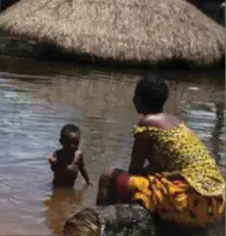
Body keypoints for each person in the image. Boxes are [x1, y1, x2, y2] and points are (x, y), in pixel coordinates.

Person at [96, 74, 225, 227]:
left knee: (107, 177)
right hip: (214, 203)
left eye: (135, 95)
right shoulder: (176, 122)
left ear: (138, 99)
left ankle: (101, 225)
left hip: (188, 204)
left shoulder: (147, 123)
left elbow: (134, 170)